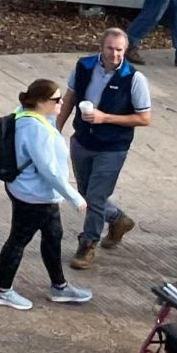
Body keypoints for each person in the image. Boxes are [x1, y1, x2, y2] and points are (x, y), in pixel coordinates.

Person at [0, 79, 95, 311]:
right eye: (56, 100)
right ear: (40, 102)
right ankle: (2, 290)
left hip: (30, 191)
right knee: (18, 240)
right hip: (34, 196)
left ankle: (59, 286)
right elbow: (49, 170)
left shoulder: (25, 115)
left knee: (53, 234)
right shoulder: (37, 130)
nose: (62, 103)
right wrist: (74, 197)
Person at [58, 27, 152, 268]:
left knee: (96, 197)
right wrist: (55, 129)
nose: (115, 55)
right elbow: (70, 97)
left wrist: (105, 118)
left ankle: (87, 244)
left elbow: (144, 118)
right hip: (82, 141)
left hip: (112, 147)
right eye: (110, 48)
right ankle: (118, 219)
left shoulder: (134, 79)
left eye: (120, 50)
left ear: (126, 50)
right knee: (87, 194)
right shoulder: (84, 66)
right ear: (101, 47)